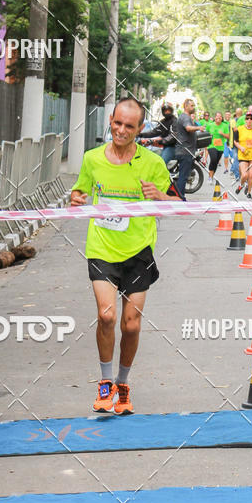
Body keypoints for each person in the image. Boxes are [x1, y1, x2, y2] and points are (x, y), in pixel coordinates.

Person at [70, 97, 171, 416]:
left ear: (140, 129)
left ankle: (123, 383)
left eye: (129, 126)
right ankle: (105, 383)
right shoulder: (92, 159)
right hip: (101, 248)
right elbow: (79, 191)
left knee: (131, 324)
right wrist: (76, 198)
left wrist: (160, 196)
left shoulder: (153, 163)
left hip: (138, 251)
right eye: (117, 123)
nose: (122, 130)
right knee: (106, 316)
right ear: (110, 121)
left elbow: (173, 203)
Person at [171, 98, 203, 200]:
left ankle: (179, 197)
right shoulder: (185, 117)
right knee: (183, 177)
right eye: (192, 106)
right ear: (186, 106)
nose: (193, 107)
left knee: (182, 176)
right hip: (185, 151)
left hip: (185, 150)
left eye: (194, 105)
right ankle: (180, 198)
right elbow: (188, 128)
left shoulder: (185, 117)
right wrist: (199, 128)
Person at [234, 112, 252, 198]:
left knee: (251, 175)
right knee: (245, 175)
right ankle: (241, 185)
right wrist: (240, 147)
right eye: (247, 118)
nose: (249, 120)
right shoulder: (239, 129)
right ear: (245, 120)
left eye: (251, 118)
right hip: (243, 155)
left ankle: (249, 193)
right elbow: (235, 141)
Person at [206, 112, 229, 183]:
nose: (218, 117)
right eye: (217, 116)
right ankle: (210, 176)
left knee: (215, 162)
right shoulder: (210, 125)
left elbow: (228, 136)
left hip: (220, 147)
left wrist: (223, 134)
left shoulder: (225, 126)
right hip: (211, 145)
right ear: (214, 118)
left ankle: (211, 176)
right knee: (213, 159)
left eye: (220, 116)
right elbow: (205, 133)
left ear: (222, 118)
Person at [228, 108, 242, 182]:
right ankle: (237, 175)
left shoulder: (232, 121)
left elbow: (229, 132)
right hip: (239, 142)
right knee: (238, 159)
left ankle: (236, 174)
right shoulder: (242, 121)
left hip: (234, 142)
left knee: (236, 158)